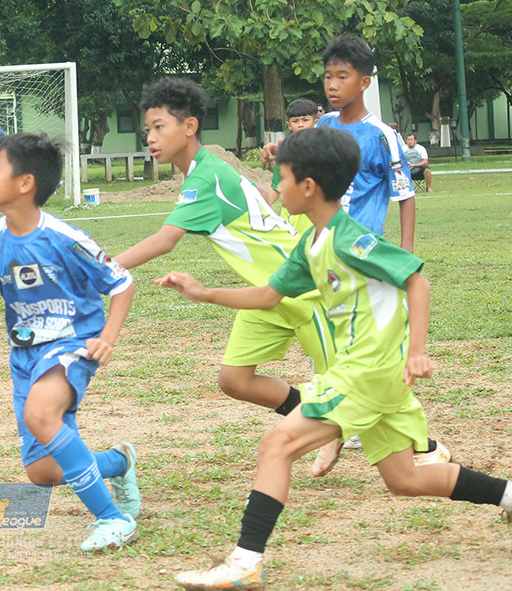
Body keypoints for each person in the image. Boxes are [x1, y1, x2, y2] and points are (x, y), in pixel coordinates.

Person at [161, 127, 512, 589]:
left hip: (367, 373)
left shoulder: (350, 240)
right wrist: (205, 293)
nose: (276, 189)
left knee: (276, 445)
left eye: (281, 178)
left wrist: (419, 352)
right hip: (373, 377)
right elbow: (268, 294)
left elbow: (416, 280)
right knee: (404, 479)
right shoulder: (311, 244)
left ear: (308, 187)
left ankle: (245, 562)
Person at [115, 78, 340, 472]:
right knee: (235, 380)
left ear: (189, 127)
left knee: (351, 388)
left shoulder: (205, 178)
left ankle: (424, 448)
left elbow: (165, 240)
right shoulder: (206, 171)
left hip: (302, 287)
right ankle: (318, 416)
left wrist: (96, 269)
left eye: (158, 127)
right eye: (146, 129)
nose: (150, 137)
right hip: (265, 292)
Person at [0, 132, 141, 551]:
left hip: (72, 343)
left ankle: (113, 519)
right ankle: (119, 462)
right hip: (24, 355)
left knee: (41, 413)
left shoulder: (65, 238)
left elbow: (122, 283)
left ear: (25, 183)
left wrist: (107, 339)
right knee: (42, 471)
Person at [263, 33, 415, 251]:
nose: (332, 85)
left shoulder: (382, 136)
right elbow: (305, 151)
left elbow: (406, 195)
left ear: (364, 82)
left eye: (342, 77)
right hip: (323, 244)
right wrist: (278, 149)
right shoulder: (325, 123)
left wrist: (406, 250)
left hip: (362, 247)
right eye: (328, 77)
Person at [259, 98, 319, 233]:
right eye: (295, 121)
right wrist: (262, 207)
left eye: (305, 120)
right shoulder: (284, 152)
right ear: (289, 125)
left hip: (315, 216)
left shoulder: (324, 148)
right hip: (291, 215)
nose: (301, 125)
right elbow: (277, 187)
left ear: (315, 121)